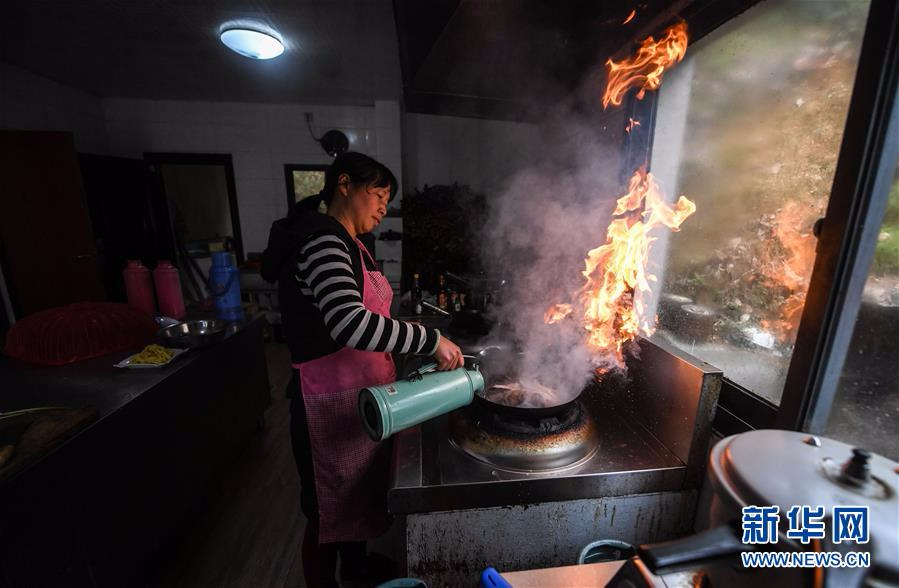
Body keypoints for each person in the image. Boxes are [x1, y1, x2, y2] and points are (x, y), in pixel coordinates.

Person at [261, 152, 463, 587]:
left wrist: (406, 334)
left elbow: (365, 317)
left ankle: (356, 571)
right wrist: (429, 340)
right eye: (379, 194)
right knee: (325, 510)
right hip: (326, 404)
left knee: (348, 501)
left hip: (356, 397)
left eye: (388, 199)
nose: (384, 206)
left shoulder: (350, 244)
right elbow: (349, 322)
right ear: (345, 184)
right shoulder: (323, 241)